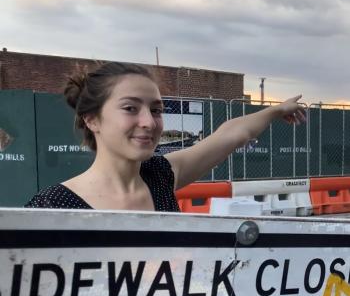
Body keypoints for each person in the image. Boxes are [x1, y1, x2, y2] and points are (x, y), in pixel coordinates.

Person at [25, 62, 305, 212]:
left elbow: (230, 134)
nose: (148, 122)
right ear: (92, 119)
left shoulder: (160, 177)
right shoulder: (51, 207)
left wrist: (276, 110)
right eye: (130, 108)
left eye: (156, 110)